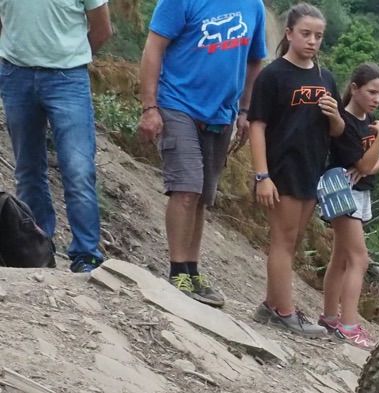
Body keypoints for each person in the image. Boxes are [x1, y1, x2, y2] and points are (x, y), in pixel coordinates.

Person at [137, 0, 268, 307]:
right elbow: (154, 47)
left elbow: (254, 61)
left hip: (221, 113)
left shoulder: (254, 5)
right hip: (177, 104)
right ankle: (177, 271)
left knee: (202, 196)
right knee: (186, 188)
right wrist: (149, 107)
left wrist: (245, 109)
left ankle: (192, 270)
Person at [247, 3, 343, 337]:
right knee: (283, 240)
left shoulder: (325, 77)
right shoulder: (273, 75)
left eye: (318, 36)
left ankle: (270, 305)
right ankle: (284, 312)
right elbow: (257, 125)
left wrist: (335, 115)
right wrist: (262, 175)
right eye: (305, 34)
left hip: (311, 169)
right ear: (289, 33)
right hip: (281, 168)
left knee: (294, 240)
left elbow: (337, 131)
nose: (312, 41)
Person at [0, 0, 111, 273]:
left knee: (78, 169)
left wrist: (71, 57)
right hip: (16, 74)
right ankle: (35, 250)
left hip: (68, 77)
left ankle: (86, 254)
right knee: (27, 169)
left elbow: (102, 29)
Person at [319, 63, 379, 349]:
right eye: (372, 92)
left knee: (341, 258)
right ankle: (348, 325)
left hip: (359, 193)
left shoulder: (369, 120)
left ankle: (329, 317)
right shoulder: (345, 123)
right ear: (355, 88)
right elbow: (366, 163)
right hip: (342, 192)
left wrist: (369, 164)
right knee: (359, 259)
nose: (377, 99)